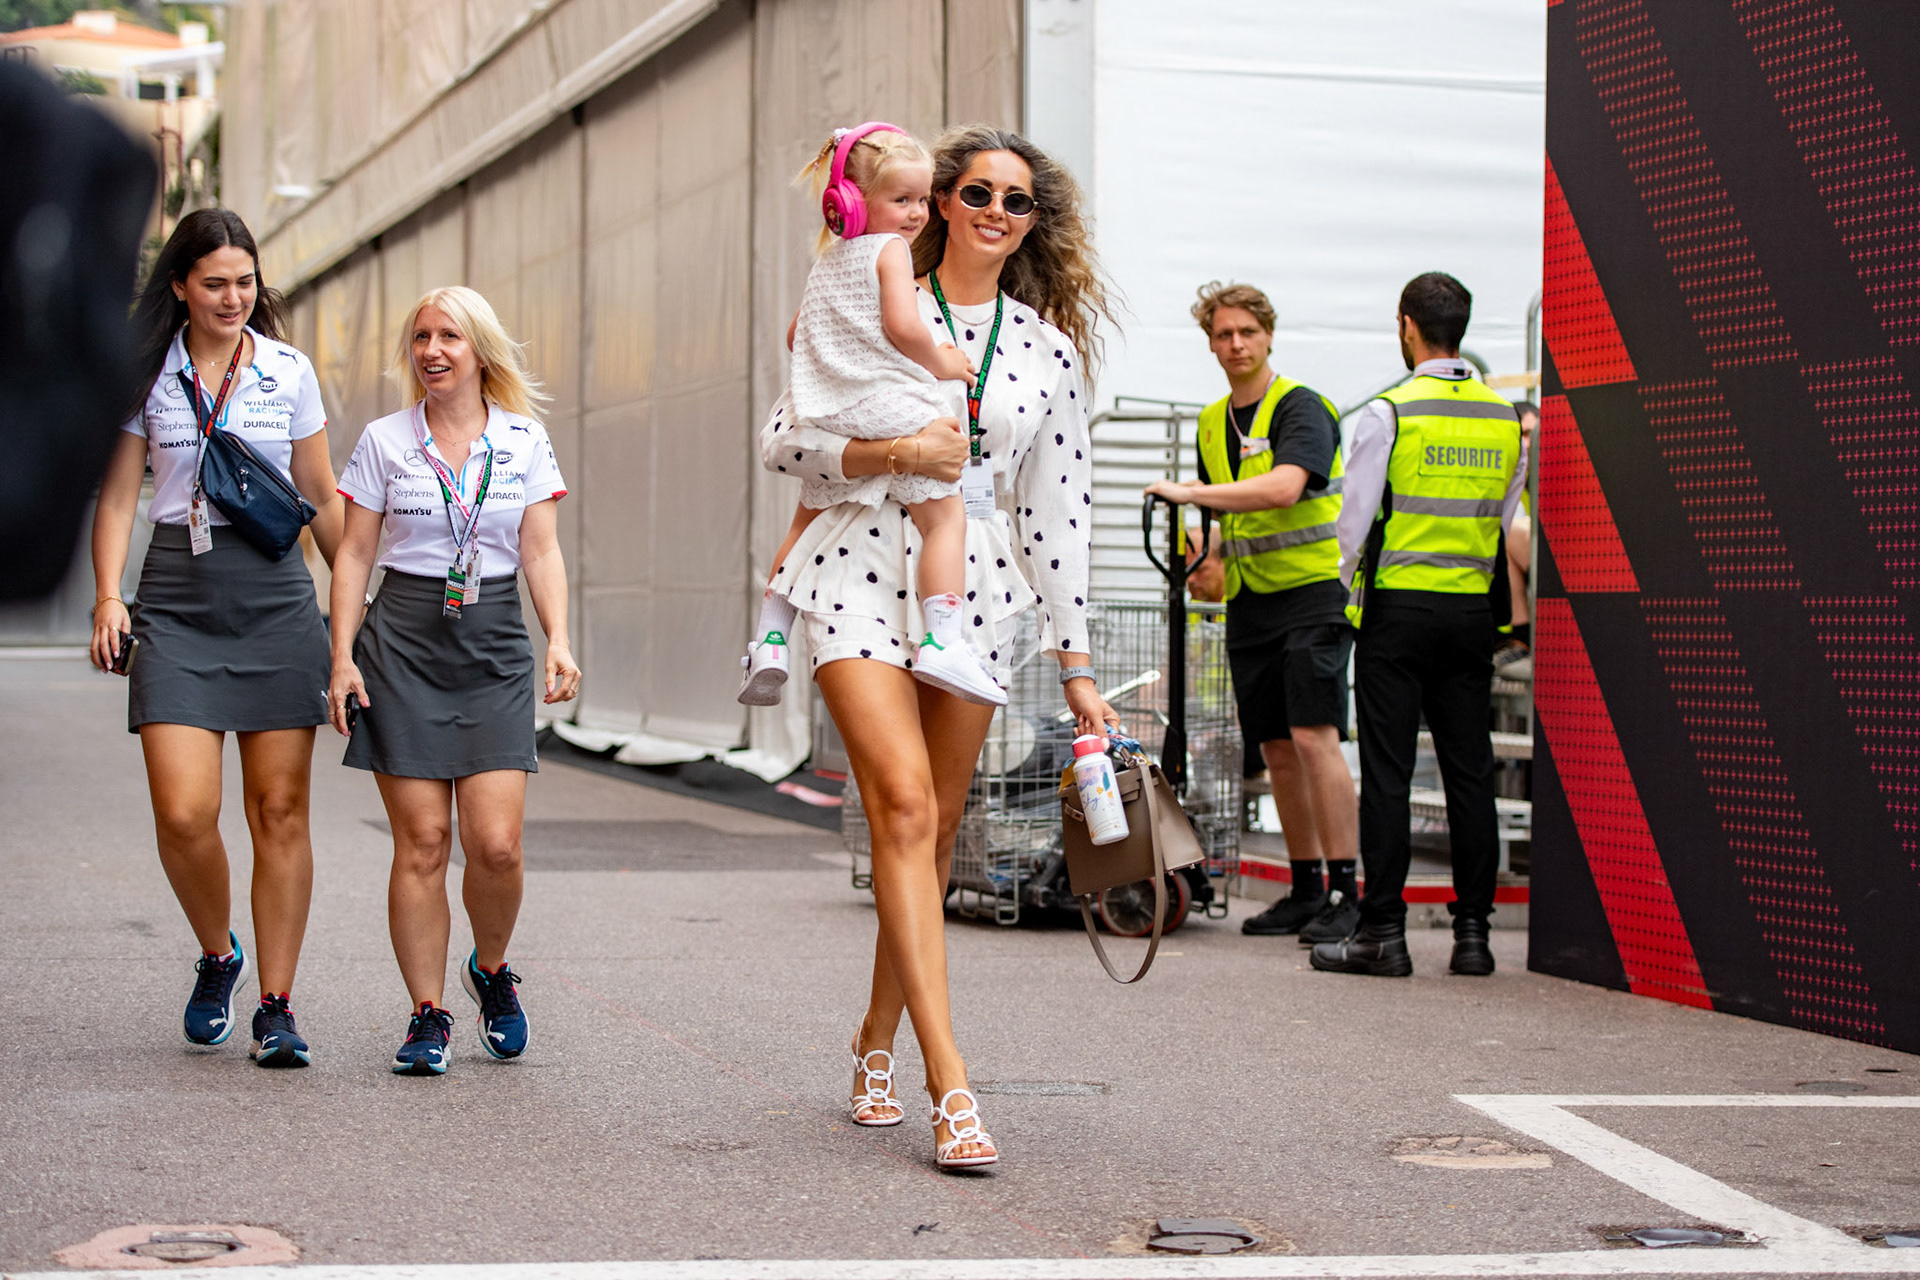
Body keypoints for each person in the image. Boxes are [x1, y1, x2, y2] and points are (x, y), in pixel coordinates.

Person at [760, 124, 1118, 1169]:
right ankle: (949, 1080)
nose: (996, 212)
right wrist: (887, 450)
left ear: (1032, 222)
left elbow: (1058, 514)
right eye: (978, 193)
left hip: (974, 585)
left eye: (1018, 200)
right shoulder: (860, 290)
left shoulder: (1046, 350)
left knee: (933, 829)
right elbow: (785, 439)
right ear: (941, 199)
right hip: (854, 563)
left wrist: (1080, 665)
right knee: (904, 808)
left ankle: (875, 1035)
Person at [89, 208, 344, 1067]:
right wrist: (106, 596)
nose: (233, 298)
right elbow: (120, 497)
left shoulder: (287, 370)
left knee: (279, 810)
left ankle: (277, 1003)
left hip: (274, 595)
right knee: (184, 811)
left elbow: (321, 493)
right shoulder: (146, 376)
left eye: (245, 282)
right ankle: (218, 953)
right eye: (214, 283)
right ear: (180, 287)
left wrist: (355, 604)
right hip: (175, 597)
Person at [327, 286, 580, 1075]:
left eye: (449, 337)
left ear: (480, 351)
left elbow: (539, 550)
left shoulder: (523, 440)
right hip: (400, 644)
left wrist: (559, 639)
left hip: (496, 642)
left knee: (496, 846)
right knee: (425, 842)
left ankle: (491, 971)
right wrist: (341, 656)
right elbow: (354, 555)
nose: (432, 351)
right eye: (421, 337)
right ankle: (427, 1014)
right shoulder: (384, 441)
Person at [739, 123, 1002, 709]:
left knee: (805, 521)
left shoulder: (830, 261)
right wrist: (942, 360)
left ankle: (770, 638)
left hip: (828, 408)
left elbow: (794, 335)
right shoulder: (891, 253)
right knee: (946, 518)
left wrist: (839, 358)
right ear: (854, 204)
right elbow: (904, 328)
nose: (914, 214)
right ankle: (944, 637)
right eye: (900, 200)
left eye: (919, 200)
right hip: (889, 406)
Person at [1313, 272, 1525, 979]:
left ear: (1407, 326)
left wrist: (1346, 586)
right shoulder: (1503, 418)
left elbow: (1353, 521)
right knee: (1471, 773)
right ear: (1460, 327)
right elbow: (1499, 517)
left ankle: (1384, 934)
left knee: (1389, 773)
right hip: (1470, 612)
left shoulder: (1387, 413)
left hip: (1398, 611)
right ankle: (1473, 936)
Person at [1146, 282, 1360, 943]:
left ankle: (1348, 892)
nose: (1235, 344)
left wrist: (1191, 491)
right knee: (1273, 747)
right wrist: (1202, 554)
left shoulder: (1302, 407)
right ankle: (1303, 888)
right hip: (1253, 598)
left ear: (1268, 336)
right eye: (1222, 334)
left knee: (1313, 736)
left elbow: (1284, 486)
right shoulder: (1214, 421)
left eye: (1246, 332)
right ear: (1210, 343)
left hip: (1315, 591)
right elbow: (1218, 514)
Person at [1493, 401, 1537, 672]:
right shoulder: (1511, 476)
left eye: (1532, 434)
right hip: (1536, 562)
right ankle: (1517, 638)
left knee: (1512, 533)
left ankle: (1520, 635)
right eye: (1520, 435)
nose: (1528, 443)